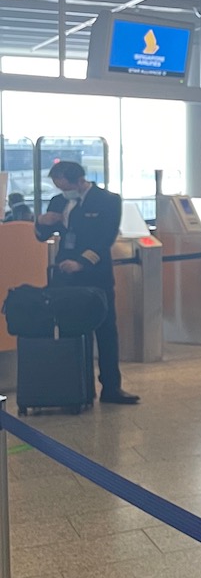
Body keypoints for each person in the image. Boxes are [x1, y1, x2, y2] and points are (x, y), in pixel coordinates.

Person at [33, 161, 137, 405]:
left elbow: (105, 238)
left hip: (95, 274)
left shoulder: (108, 200)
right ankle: (76, 388)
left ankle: (111, 387)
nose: (62, 191)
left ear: (80, 180)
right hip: (64, 276)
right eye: (58, 186)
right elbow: (42, 236)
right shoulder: (58, 202)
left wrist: (82, 262)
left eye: (65, 185)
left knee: (105, 330)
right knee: (70, 330)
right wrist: (41, 222)